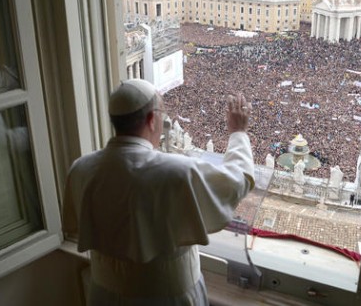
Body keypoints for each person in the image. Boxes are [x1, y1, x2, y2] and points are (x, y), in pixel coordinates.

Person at [62, 79, 254, 305]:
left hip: (103, 296)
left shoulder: (80, 169)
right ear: (152, 119)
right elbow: (237, 180)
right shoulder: (178, 172)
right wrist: (238, 133)